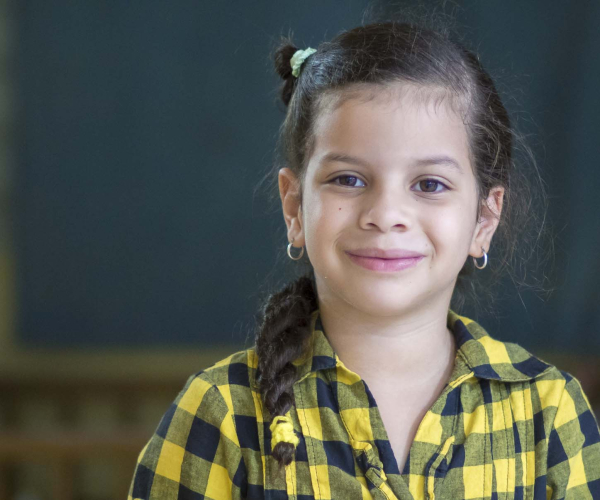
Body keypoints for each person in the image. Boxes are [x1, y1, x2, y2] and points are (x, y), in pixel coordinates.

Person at [128, 17, 600, 500]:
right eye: (348, 180)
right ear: (294, 207)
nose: (386, 215)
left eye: (429, 184)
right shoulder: (220, 415)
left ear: (484, 219)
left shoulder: (548, 413)